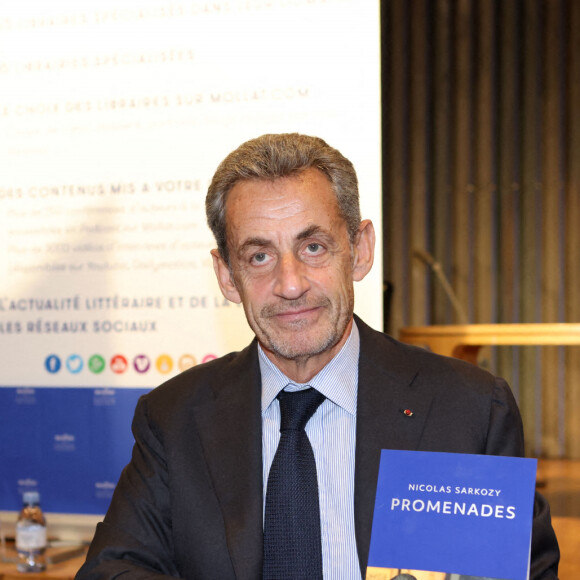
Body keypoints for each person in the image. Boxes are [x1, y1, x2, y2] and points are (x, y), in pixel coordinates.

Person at [76, 133, 559, 580]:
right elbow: (116, 568)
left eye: (313, 246)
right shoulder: (174, 416)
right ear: (226, 276)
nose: (290, 284)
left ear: (360, 249)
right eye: (259, 256)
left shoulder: (468, 409)